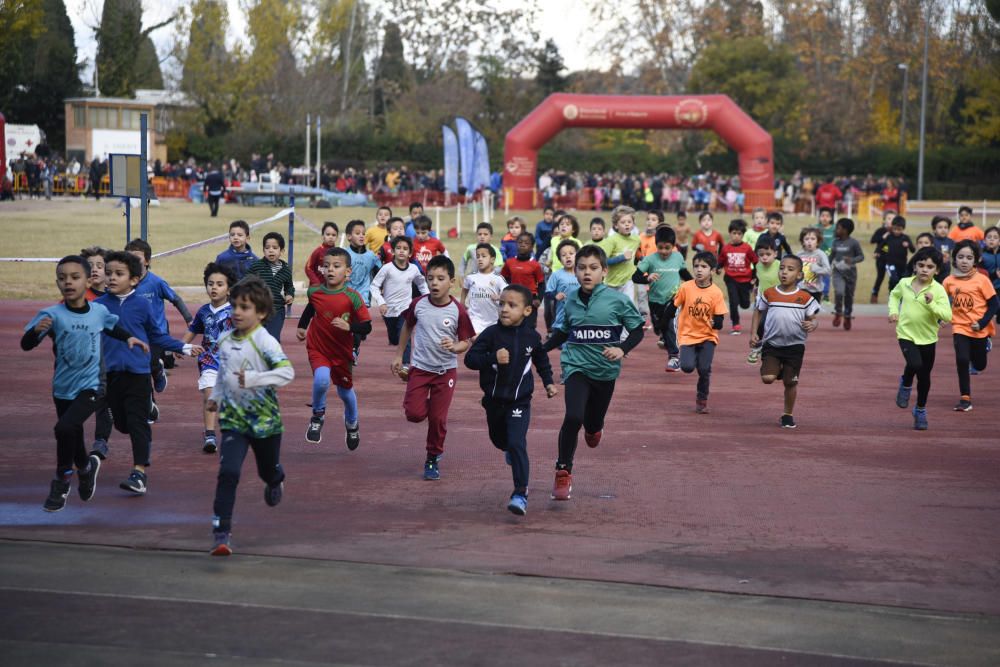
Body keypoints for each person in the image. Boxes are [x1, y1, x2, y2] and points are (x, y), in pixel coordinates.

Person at [22, 256, 147, 512]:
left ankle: (62, 480)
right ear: (57, 282)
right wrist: (36, 333)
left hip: (92, 386)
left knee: (64, 428)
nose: (68, 282)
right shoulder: (52, 315)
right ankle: (86, 469)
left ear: (89, 280)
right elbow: (26, 344)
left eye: (75, 277)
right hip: (63, 387)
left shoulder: (98, 311)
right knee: (74, 434)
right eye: (62, 278)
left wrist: (130, 339)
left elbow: (112, 327)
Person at [542, 245, 645, 501]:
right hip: (575, 367)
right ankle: (563, 471)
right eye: (581, 268)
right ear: (575, 272)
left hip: (605, 371)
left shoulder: (618, 300)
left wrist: (622, 349)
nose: (587, 273)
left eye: (593, 268)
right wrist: (542, 349)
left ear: (604, 271)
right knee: (573, 416)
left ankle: (595, 427)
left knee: (592, 423)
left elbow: (637, 330)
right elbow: (564, 332)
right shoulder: (571, 299)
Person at [96, 251, 200, 495]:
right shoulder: (98, 306)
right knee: (122, 424)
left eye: (118, 274)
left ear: (134, 280)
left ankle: (139, 473)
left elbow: (156, 335)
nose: (111, 278)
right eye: (108, 273)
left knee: (137, 422)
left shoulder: (142, 305)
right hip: (110, 375)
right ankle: (141, 417)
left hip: (138, 374)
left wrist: (183, 346)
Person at [209, 277, 295, 556]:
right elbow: (224, 375)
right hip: (234, 420)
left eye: (244, 307)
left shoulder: (265, 341)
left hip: (265, 422)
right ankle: (221, 531)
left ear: (260, 313)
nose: (236, 311)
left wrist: (256, 378)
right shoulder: (224, 341)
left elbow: (286, 373)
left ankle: (275, 478)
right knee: (228, 472)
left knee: (266, 470)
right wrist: (216, 397)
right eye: (234, 305)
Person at [465, 285, 558, 515]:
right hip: (494, 402)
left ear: (527, 311)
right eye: (501, 304)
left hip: (519, 402)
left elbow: (541, 360)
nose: (504, 309)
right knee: (500, 441)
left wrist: (548, 382)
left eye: (512, 305)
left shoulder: (532, 337)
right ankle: (508, 447)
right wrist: (491, 358)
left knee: (517, 443)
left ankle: (520, 493)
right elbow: (470, 359)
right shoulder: (491, 334)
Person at [391, 255, 476, 481]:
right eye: (430, 279)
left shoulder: (458, 311)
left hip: (445, 372)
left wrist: (455, 347)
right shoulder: (418, 304)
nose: (434, 283)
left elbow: (466, 341)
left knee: (438, 419)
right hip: (419, 368)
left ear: (452, 282)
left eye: (440, 278)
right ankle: (419, 399)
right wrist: (399, 354)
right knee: (414, 414)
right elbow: (407, 327)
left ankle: (432, 457)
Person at [297, 248, 373, 448]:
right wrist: (302, 326)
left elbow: (367, 326)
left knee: (345, 393)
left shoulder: (353, 297)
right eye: (326, 266)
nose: (330, 270)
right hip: (318, 347)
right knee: (321, 380)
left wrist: (350, 327)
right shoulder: (315, 291)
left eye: (336, 266)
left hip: (341, 352)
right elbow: (311, 308)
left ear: (347, 272)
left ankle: (352, 423)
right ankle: (317, 417)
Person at [122, 238, 193, 421]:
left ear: (147, 261)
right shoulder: (125, 283)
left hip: (156, 335)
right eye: (129, 257)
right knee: (140, 372)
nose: (133, 261)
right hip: (136, 335)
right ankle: (149, 406)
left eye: (137, 257)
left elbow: (175, 299)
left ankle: (159, 370)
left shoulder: (156, 282)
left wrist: (189, 320)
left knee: (150, 364)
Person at [749, 255, 820, 429]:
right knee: (767, 378)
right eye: (782, 268)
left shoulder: (804, 297)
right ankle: (778, 369)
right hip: (772, 345)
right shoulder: (770, 293)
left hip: (795, 347)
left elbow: (814, 318)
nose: (784, 272)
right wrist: (753, 333)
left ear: (799, 275)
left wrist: (812, 324)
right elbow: (758, 311)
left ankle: (787, 414)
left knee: (790, 383)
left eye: (790, 269)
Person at [888, 248, 951, 430]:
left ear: (937, 270)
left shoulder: (938, 290)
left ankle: (920, 410)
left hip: (929, 338)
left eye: (930, 267)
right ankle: (906, 384)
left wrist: (932, 304)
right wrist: (893, 311)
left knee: (924, 377)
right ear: (914, 266)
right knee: (915, 365)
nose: (925, 269)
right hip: (906, 334)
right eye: (921, 265)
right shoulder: (904, 283)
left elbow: (947, 315)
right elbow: (894, 295)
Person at [182, 263, 236, 453]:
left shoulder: (236, 311)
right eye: (211, 283)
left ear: (229, 289)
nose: (214, 287)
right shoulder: (203, 311)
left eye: (220, 284)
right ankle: (210, 434)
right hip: (209, 360)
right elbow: (193, 329)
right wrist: (181, 347)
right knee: (209, 394)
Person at [942, 240, 999, 412]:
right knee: (962, 360)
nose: (964, 261)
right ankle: (965, 398)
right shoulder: (949, 281)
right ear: (955, 259)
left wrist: (982, 323)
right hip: (960, 327)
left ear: (976, 260)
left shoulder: (982, 280)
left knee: (980, 365)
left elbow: (994, 305)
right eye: (960, 257)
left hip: (980, 329)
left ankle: (986, 344)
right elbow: (941, 302)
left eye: (968, 257)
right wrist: (940, 316)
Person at [674, 251, 727, 414]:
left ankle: (702, 398)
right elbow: (674, 305)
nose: (698, 270)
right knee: (687, 367)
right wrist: (663, 321)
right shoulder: (685, 287)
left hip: (707, 336)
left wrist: (716, 322)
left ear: (712, 271)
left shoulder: (716, 292)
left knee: (704, 369)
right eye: (696, 266)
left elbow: (720, 320)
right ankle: (694, 357)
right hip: (688, 335)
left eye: (703, 267)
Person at [632, 226, 691, 371]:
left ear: (673, 246)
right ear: (656, 245)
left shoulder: (678, 257)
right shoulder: (650, 260)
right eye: (660, 248)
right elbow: (635, 277)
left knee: (668, 323)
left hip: (673, 298)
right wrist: (648, 278)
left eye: (667, 248)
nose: (664, 251)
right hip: (655, 300)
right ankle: (664, 337)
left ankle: (674, 357)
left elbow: (684, 273)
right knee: (659, 328)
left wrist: (695, 284)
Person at [370, 236, 429, 371]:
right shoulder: (387, 268)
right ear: (393, 251)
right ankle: (397, 345)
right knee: (395, 339)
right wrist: (381, 302)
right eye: (398, 248)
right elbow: (374, 286)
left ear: (410, 253)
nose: (401, 251)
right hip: (389, 310)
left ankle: (407, 365)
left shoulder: (413, 269)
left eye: (405, 249)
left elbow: (422, 284)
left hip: (405, 309)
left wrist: (427, 298)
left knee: (406, 335)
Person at [343, 220, 382, 360]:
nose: (361, 236)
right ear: (348, 236)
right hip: (346, 295)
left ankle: (354, 350)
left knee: (359, 323)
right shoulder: (344, 254)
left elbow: (380, 272)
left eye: (363, 233)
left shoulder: (371, 256)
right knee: (348, 325)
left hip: (363, 296)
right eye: (357, 233)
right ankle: (347, 346)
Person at [246, 232, 295, 342]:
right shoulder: (257, 266)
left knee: (272, 339)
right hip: (258, 309)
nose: (271, 250)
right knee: (257, 339)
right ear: (263, 250)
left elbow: (289, 286)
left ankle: (273, 358)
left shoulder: (286, 270)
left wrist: (289, 295)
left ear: (281, 251)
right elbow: (245, 281)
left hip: (276, 309)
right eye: (267, 248)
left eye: (275, 247)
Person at [717, 219, 758, 334]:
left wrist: (755, 276)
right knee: (733, 302)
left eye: (739, 234)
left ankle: (744, 300)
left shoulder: (747, 248)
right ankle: (735, 324)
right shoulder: (726, 248)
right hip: (731, 279)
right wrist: (718, 268)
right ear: (730, 233)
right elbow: (721, 261)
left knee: (745, 304)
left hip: (745, 279)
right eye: (734, 233)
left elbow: (755, 261)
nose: (736, 236)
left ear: (743, 235)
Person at [501, 232, 546, 331]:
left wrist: (539, 299)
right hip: (513, 298)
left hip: (530, 299)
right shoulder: (509, 262)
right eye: (520, 242)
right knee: (512, 324)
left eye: (526, 243)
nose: (523, 244)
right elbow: (503, 279)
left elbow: (542, 284)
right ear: (516, 244)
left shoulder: (535, 265)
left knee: (529, 327)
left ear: (531, 247)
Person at [461, 243, 508, 334]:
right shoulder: (471, 277)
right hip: (475, 319)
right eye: (478, 256)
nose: (480, 259)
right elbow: (465, 288)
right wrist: (462, 303)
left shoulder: (498, 278)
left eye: (483, 256)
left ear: (492, 259)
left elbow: (507, 293)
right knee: (476, 339)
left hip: (493, 320)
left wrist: (499, 297)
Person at [746, 240, 779, 363]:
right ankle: (756, 346)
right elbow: (760, 278)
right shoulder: (758, 266)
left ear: (775, 254)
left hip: (777, 301)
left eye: (768, 254)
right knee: (760, 323)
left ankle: (774, 353)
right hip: (762, 299)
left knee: (773, 325)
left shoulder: (780, 266)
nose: (764, 257)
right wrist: (756, 286)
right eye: (761, 254)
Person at [829, 218, 864, 329]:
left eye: (838, 228)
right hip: (837, 272)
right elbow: (831, 256)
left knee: (849, 295)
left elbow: (861, 257)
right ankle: (838, 312)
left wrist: (852, 260)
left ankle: (847, 315)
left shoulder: (854, 243)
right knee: (839, 292)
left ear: (845, 230)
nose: (836, 230)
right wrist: (826, 266)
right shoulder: (835, 242)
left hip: (850, 273)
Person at [605, 206, 641, 304]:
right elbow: (603, 261)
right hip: (611, 283)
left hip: (628, 281)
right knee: (612, 310)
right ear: (616, 225)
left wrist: (640, 259)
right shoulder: (611, 240)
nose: (627, 225)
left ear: (633, 224)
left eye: (629, 222)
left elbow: (637, 253)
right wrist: (622, 258)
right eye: (623, 222)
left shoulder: (636, 239)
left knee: (628, 306)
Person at [545, 240, 580, 333]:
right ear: (560, 259)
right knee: (562, 346)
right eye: (564, 255)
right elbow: (548, 293)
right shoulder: (556, 275)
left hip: (580, 320)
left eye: (571, 253)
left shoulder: (583, 274)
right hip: (562, 320)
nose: (568, 256)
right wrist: (555, 296)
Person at [878, 215, 913, 295]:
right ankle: (891, 292)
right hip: (890, 263)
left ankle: (900, 295)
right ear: (892, 227)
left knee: (902, 280)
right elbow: (881, 245)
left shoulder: (905, 238)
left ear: (903, 229)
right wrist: (877, 252)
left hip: (902, 264)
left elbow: (913, 250)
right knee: (894, 278)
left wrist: (908, 245)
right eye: (895, 229)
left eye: (899, 230)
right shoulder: (889, 237)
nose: (896, 231)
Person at [796, 227, 831, 303]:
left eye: (812, 239)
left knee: (813, 312)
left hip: (816, 289)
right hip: (802, 287)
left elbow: (828, 271)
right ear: (802, 241)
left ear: (818, 241)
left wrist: (817, 269)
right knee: (803, 309)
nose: (809, 242)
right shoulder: (799, 254)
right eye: (806, 239)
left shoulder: (821, 254)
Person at [870, 209, 897, 302]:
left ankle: (892, 296)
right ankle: (874, 294)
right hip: (881, 258)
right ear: (884, 220)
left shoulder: (896, 232)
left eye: (893, 219)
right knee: (880, 277)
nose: (891, 221)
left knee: (893, 278)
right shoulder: (881, 230)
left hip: (892, 259)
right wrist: (883, 237)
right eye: (889, 218)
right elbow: (872, 240)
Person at [305, 222, 340, 286]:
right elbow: (308, 268)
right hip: (318, 288)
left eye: (333, 235)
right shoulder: (318, 251)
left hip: (331, 288)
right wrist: (316, 282)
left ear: (337, 237)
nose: (331, 237)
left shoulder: (338, 253)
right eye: (328, 234)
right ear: (323, 236)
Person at [930, 216, 955, 283]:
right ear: (934, 229)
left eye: (945, 227)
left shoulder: (951, 242)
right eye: (940, 227)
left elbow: (954, 254)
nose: (943, 230)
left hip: (946, 269)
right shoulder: (931, 241)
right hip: (933, 269)